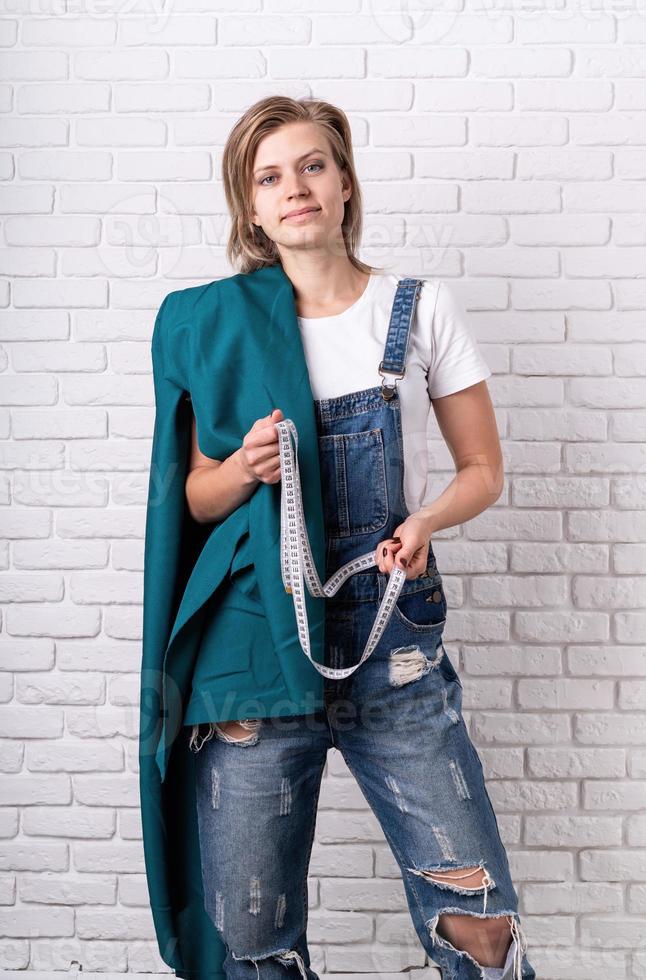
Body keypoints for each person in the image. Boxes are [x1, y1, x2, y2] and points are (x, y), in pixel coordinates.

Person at [183, 96, 535, 980]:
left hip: (396, 650)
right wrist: (246, 468)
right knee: (252, 943)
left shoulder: (417, 309)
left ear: (344, 184)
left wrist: (426, 522)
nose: (294, 187)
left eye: (311, 166)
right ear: (251, 210)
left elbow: (483, 471)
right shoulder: (221, 327)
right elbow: (195, 498)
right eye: (269, 177)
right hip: (258, 653)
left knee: (479, 921)